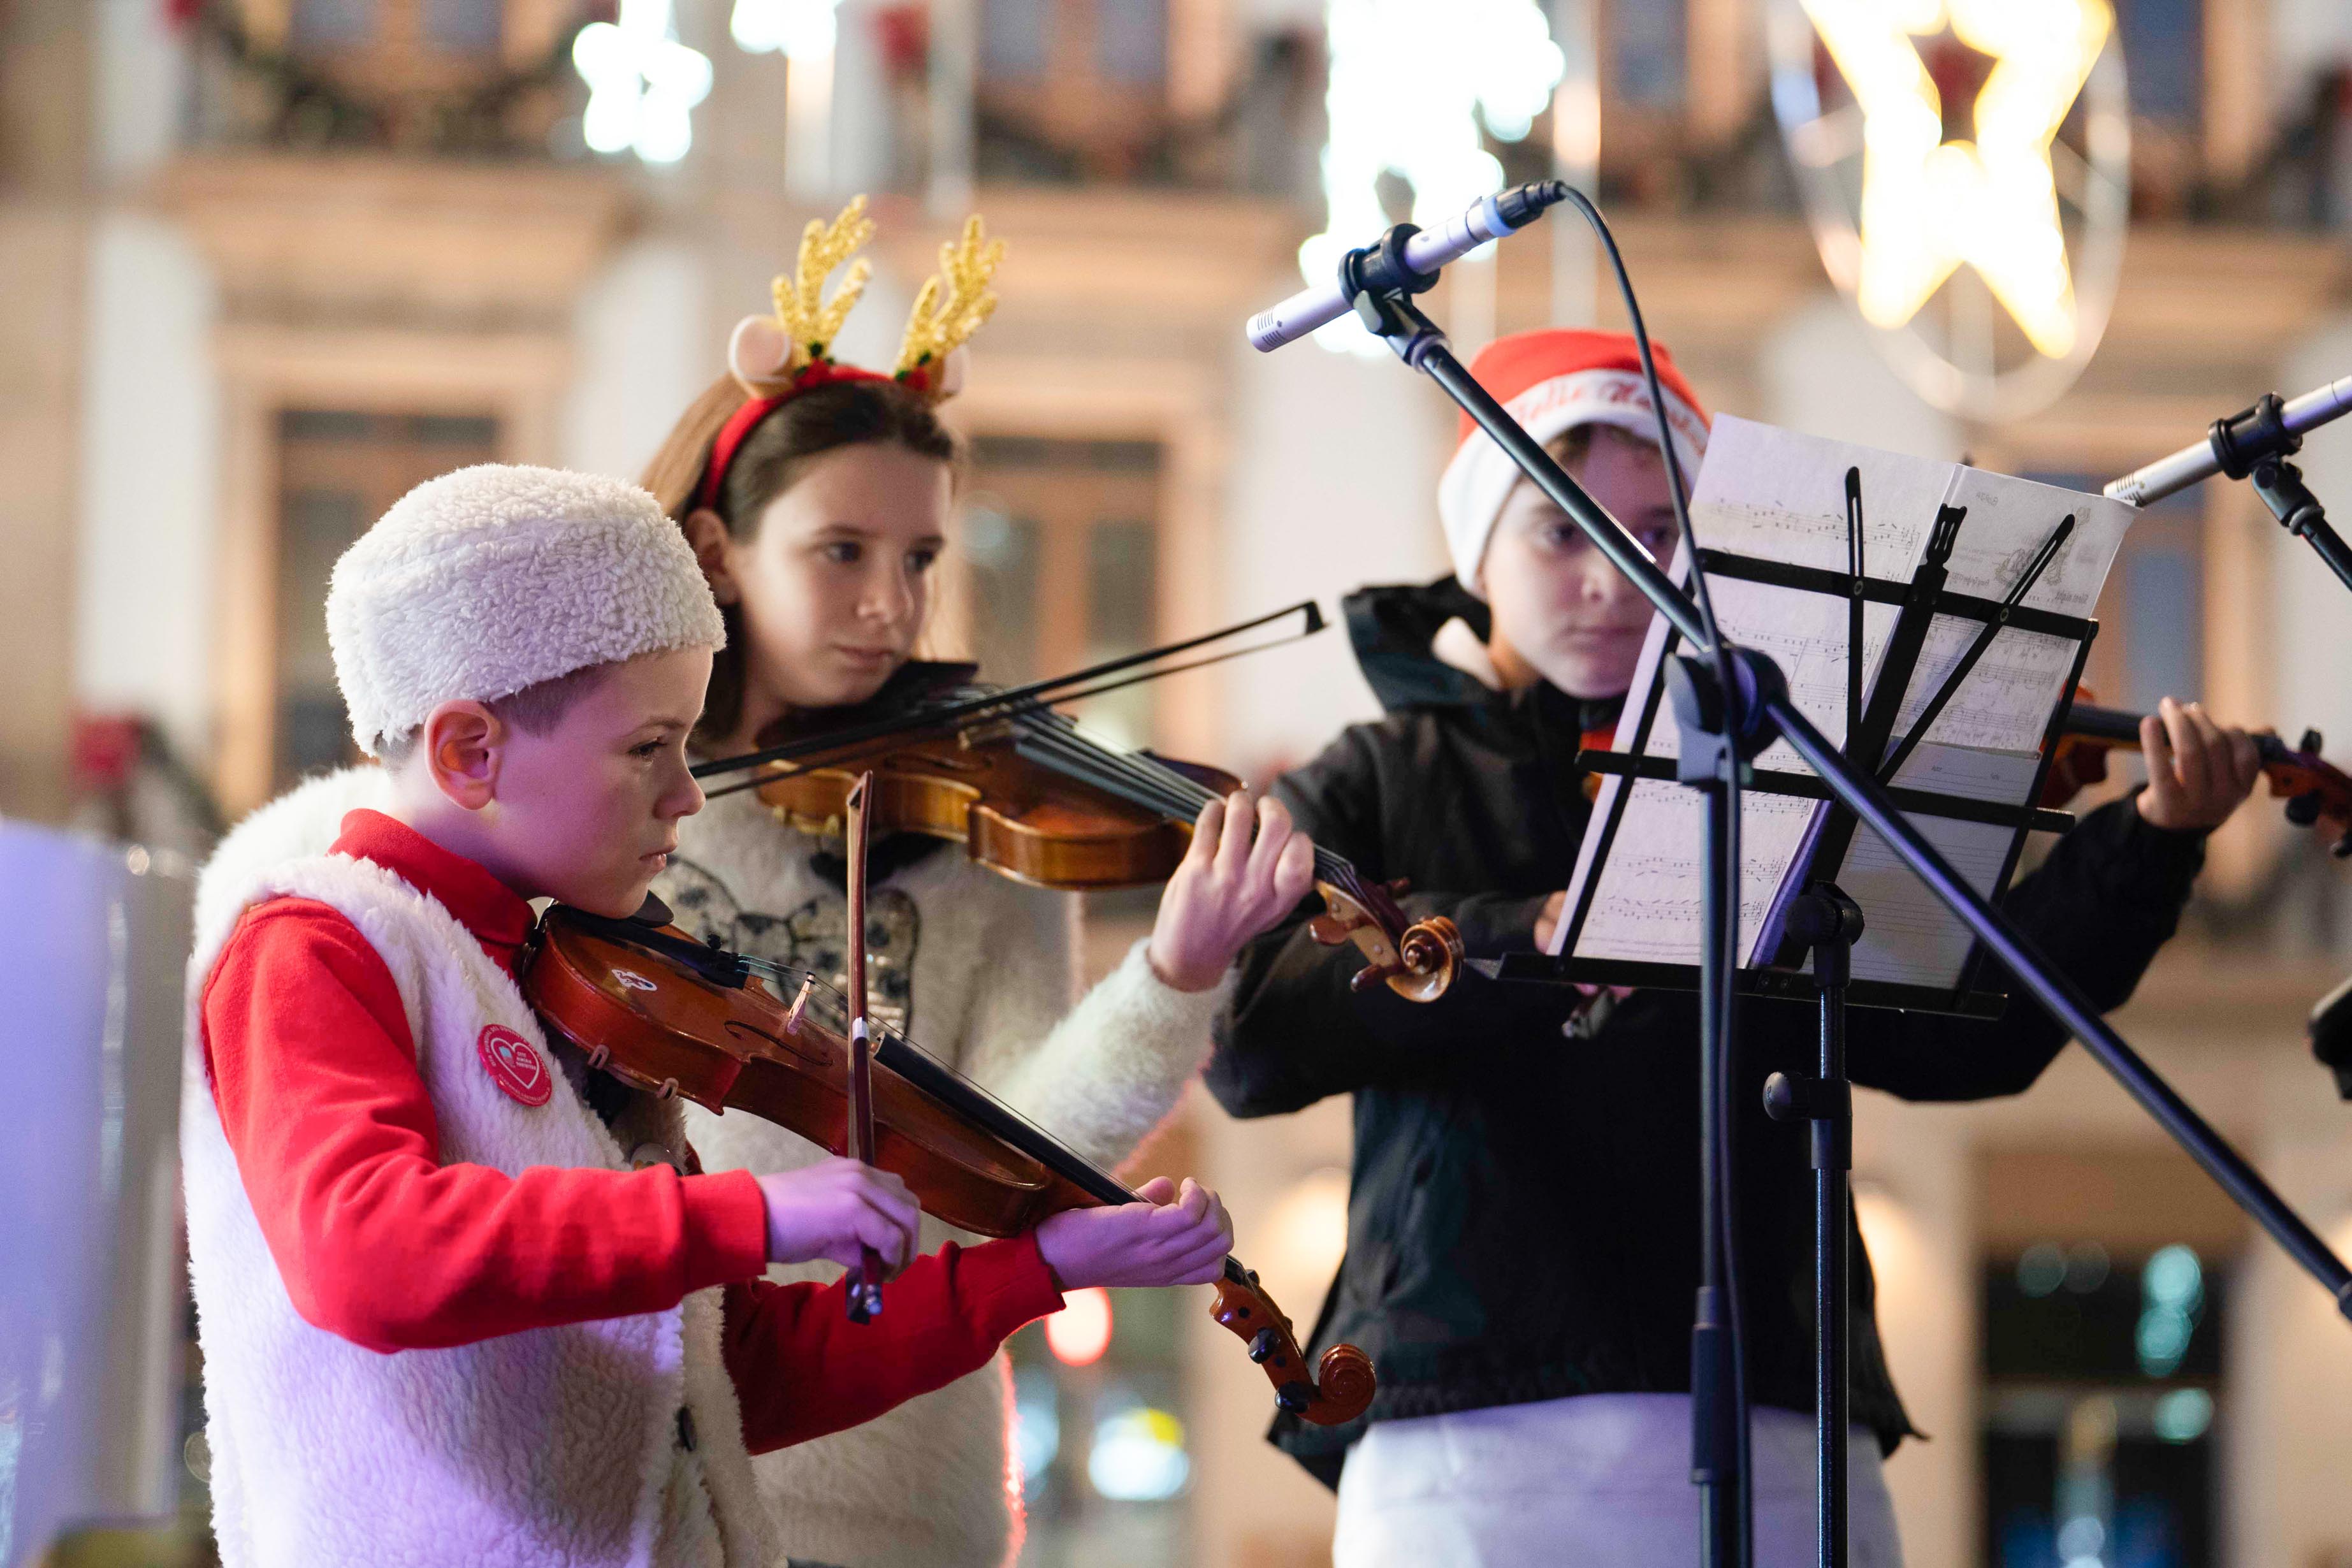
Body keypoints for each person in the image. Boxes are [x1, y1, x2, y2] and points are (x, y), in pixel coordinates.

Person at [1205, 328, 2265, 1567]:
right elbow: (1253, 1045)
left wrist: (2145, 846)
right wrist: (1523, 934)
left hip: (1782, 1405)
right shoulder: (1378, 776)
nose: (1612, 577)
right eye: (1559, 532)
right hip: (1469, 1427)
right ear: (1476, 549)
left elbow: (1964, 1039)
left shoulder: (1790, 766)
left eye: (1658, 534)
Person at [182, 462, 1237, 1568]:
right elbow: (366, 1253)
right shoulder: (313, 946)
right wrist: (754, 1214)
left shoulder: (573, 984)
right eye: (649, 747)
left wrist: (1041, 1267)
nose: (686, 793)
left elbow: (735, 1375)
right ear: (469, 753)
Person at [623, 200, 1311, 1568]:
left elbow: (1023, 1147)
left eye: (921, 559)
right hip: (643, 1461)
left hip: (901, 1483)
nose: (893, 605)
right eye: (842, 552)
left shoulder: (978, 826)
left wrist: (1173, 971)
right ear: (715, 556)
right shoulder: (617, 803)